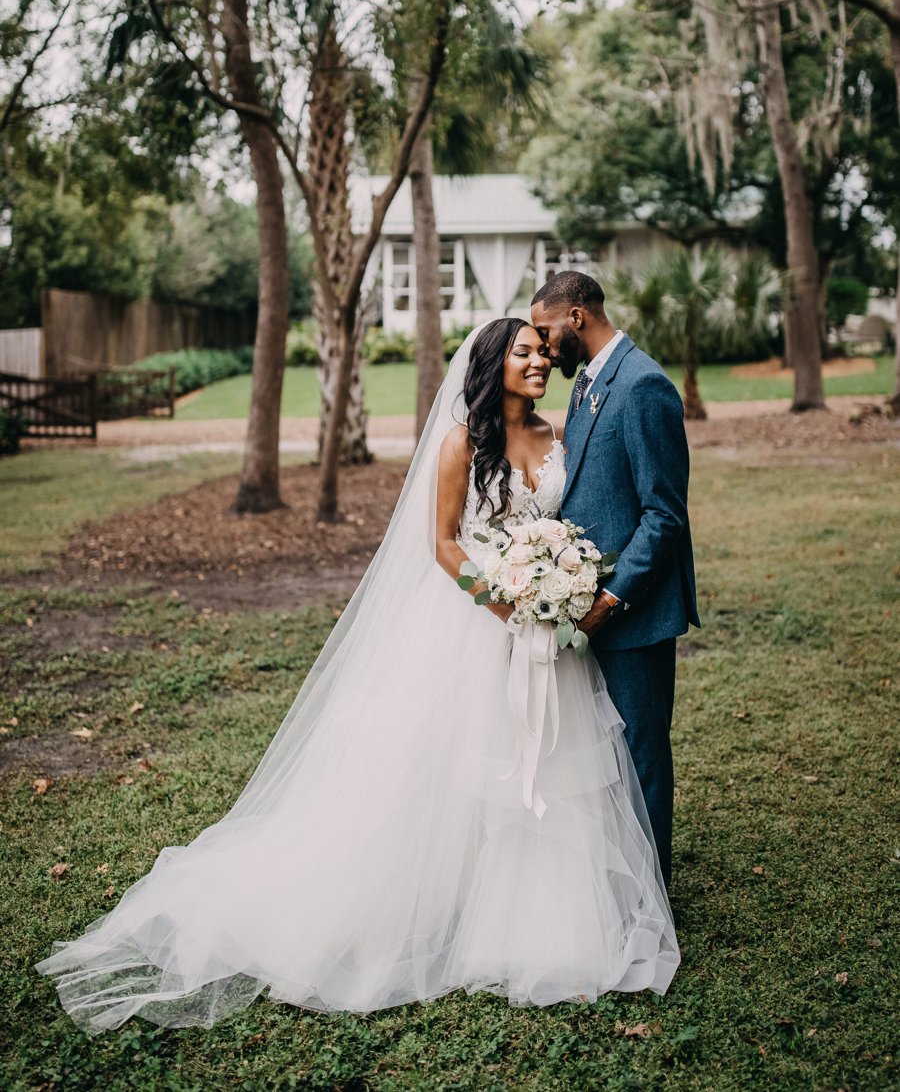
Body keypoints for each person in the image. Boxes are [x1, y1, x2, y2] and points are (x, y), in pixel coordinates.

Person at [35, 318, 678, 1033]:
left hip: (546, 639)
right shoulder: (462, 442)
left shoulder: (557, 436)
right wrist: (506, 603)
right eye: (522, 352)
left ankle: (537, 921)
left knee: (552, 772)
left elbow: (562, 528)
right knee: (463, 766)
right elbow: (442, 545)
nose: (538, 361)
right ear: (493, 364)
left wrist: (556, 584)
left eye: (541, 351)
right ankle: (433, 899)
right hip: (481, 627)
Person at [531, 272, 700, 887]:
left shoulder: (644, 384)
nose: (545, 347)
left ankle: (651, 897)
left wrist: (609, 598)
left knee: (642, 754)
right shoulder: (588, 385)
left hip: (633, 610)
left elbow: (663, 515)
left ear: (576, 316)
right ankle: (613, 879)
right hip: (585, 606)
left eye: (547, 331)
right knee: (602, 753)